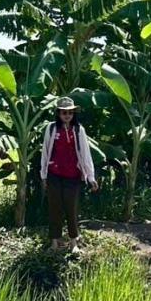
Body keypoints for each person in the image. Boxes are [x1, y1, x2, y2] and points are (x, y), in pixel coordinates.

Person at [39, 96, 97, 252]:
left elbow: (85, 154)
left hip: (73, 175)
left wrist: (91, 177)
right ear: (58, 113)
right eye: (64, 112)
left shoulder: (78, 130)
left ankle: (73, 243)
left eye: (70, 113)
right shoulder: (51, 128)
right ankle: (54, 243)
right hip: (54, 174)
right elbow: (45, 151)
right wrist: (43, 175)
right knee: (54, 208)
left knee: (71, 208)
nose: (67, 115)